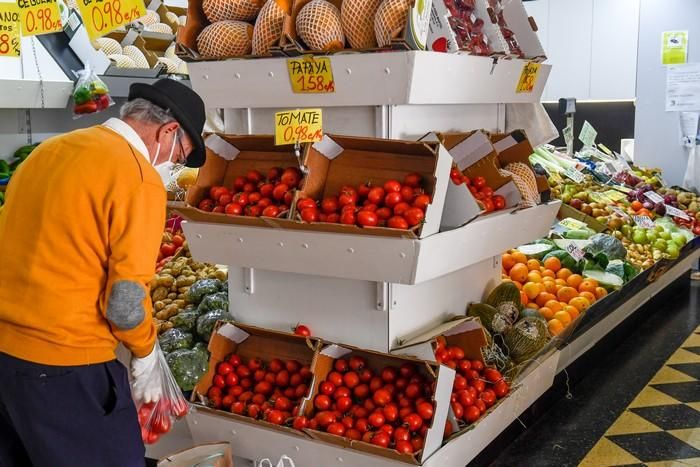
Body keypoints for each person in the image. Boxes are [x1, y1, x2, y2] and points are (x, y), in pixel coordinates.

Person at [0, 79, 206, 467]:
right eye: (180, 156)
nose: (173, 166)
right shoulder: (138, 178)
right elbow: (125, 303)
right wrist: (146, 355)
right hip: (64, 364)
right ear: (168, 132)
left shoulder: (51, 150)